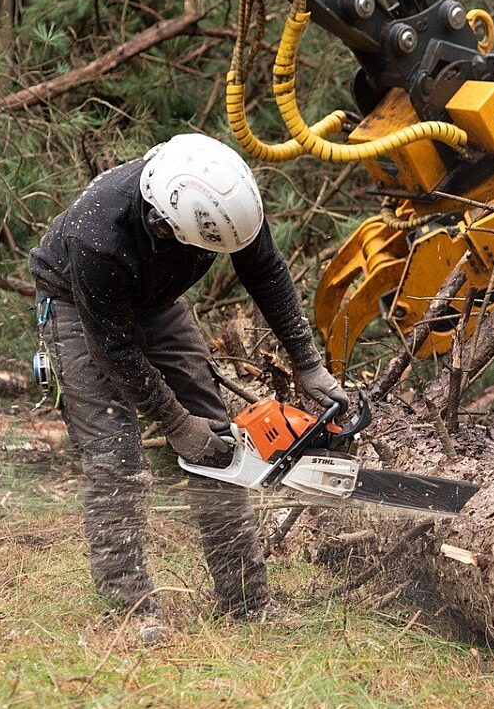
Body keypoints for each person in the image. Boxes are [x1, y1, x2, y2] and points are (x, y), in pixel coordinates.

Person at [29, 133, 347, 636]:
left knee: (219, 442)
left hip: (157, 303)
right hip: (77, 304)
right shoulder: (100, 231)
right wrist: (175, 423)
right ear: (162, 223)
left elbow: (265, 271)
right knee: (115, 454)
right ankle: (130, 608)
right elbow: (113, 349)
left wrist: (308, 364)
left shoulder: (225, 201)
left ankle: (246, 599)